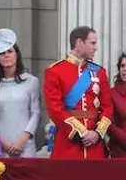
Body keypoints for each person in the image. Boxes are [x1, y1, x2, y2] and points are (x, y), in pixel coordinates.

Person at [44, 26, 114, 159]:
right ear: (79, 42)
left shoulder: (99, 72)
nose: (95, 47)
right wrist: (81, 132)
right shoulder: (55, 71)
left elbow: (107, 107)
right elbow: (55, 109)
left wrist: (97, 134)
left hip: (95, 146)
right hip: (68, 145)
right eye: (92, 43)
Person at [0, 29, 41, 158]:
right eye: (2, 53)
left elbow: (36, 113)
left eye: (9, 51)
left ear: (17, 54)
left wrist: (22, 141)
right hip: (0, 146)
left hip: (25, 146)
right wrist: (3, 143)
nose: (6, 55)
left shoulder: (31, 81)